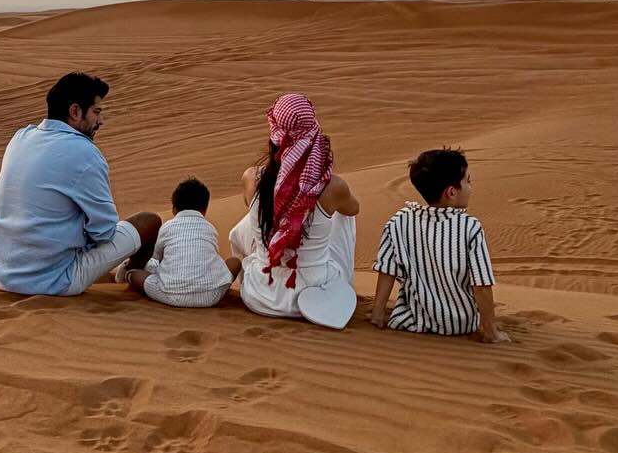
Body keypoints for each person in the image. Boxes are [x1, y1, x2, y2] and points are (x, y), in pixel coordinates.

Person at [0, 73, 159, 297]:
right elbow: (103, 232)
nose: (100, 121)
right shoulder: (85, 153)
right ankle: (129, 277)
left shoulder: (20, 137)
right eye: (96, 112)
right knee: (149, 221)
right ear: (75, 112)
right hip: (50, 280)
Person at [229, 94, 360, 328]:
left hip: (259, 297)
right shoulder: (333, 187)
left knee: (255, 218)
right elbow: (354, 209)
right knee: (343, 216)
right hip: (316, 300)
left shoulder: (251, 178)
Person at [369, 147, 509, 343]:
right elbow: (481, 284)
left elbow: (387, 270)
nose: (470, 187)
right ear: (451, 192)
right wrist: (491, 331)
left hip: (411, 321)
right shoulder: (470, 227)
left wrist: (377, 314)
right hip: (461, 324)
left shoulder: (398, 222)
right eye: (467, 181)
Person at [120, 177, 238, 308]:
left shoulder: (167, 227)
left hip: (169, 295)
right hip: (210, 297)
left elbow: (156, 258)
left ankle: (126, 274)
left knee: (135, 274)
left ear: (174, 209)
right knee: (235, 262)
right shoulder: (210, 228)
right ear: (204, 210)